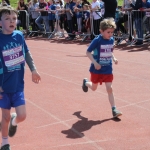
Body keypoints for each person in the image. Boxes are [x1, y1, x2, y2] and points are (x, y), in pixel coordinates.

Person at [0, 6, 41, 150]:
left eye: (14, 18)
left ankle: (14, 121)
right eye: (7, 19)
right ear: (0, 23)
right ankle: (5, 143)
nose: (12, 21)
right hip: (3, 86)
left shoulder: (19, 35)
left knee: (22, 115)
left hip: (17, 84)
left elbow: (27, 53)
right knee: (4, 117)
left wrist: (33, 70)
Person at [82, 18, 122, 118]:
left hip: (108, 68)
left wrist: (114, 58)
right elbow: (88, 52)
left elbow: (109, 51)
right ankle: (86, 83)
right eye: (108, 32)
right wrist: (95, 63)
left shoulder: (111, 40)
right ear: (101, 31)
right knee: (94, 88)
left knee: (110, 88)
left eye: (112, 32)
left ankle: (114, 109)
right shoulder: (97, 40)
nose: (111, 34)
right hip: (97, 69)